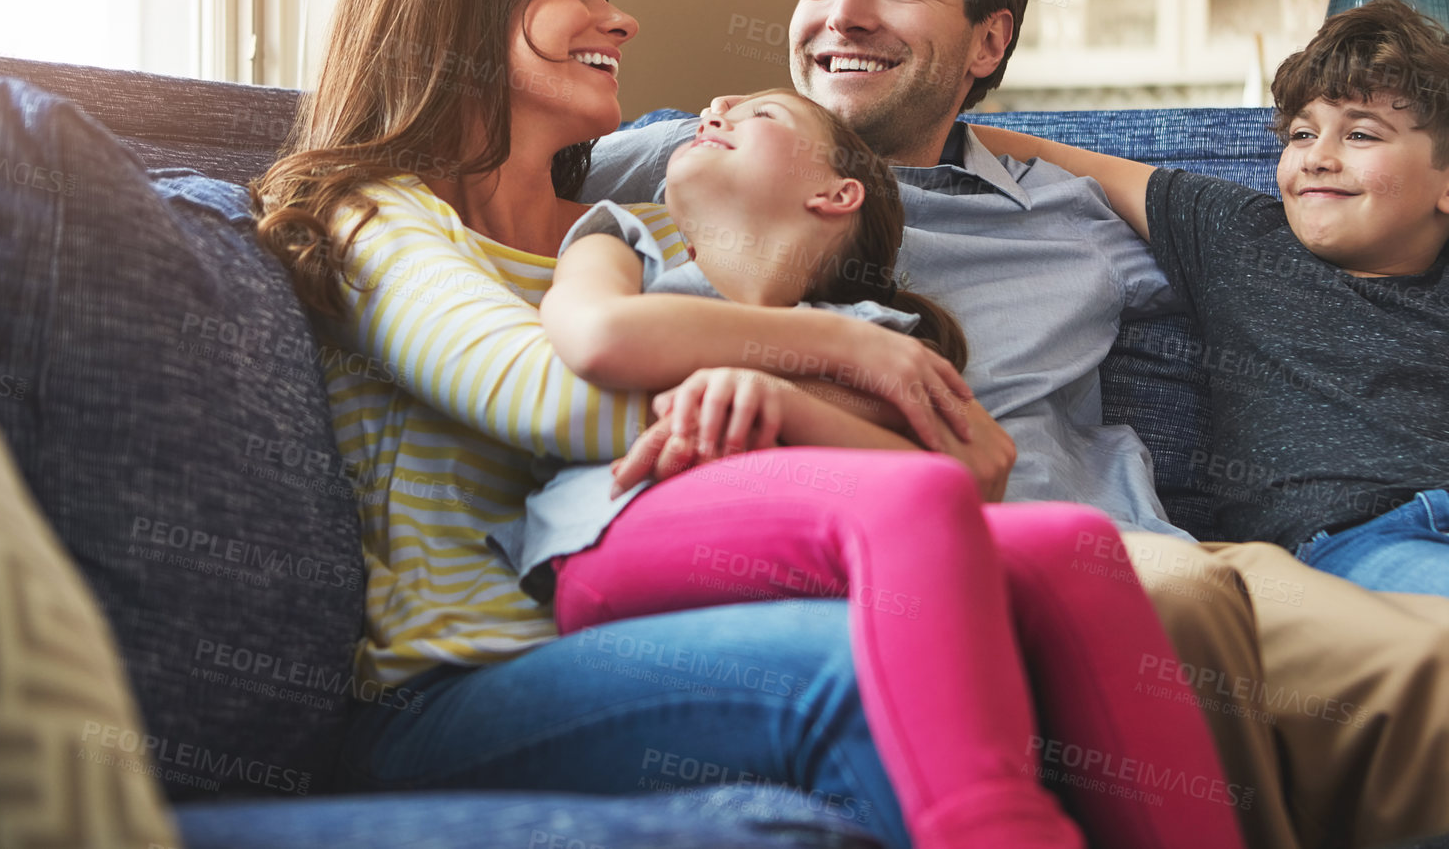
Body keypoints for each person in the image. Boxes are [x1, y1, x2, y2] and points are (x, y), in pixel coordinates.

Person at [579, 0, 1449, 849]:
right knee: (1172, 608)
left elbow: (1326, 212)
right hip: (920, 555)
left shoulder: (1070, 211)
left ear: (987, 44)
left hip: (1139, 543)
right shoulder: (696, 157)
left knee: (1428, 657)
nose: (842, 14)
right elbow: (483, 156)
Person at [251, 0, 995, 849]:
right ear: (460, 5)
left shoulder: (640, 232)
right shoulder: (370, 214)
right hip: (451, 692)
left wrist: (849, 406)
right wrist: (839, 357)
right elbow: (549, 393)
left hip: (648, 626)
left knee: (967, 644)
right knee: (857, 673)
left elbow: (890, 432)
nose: (623, 19)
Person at [970, 0, 1449, 814]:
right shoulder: (1236, 237)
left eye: (1360, 134)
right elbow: (1017, 150)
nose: (1317, 157)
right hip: (1344, 547)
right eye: (1301, 134)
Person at [527, 86, 1245, 848]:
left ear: (836, 194)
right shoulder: (627, 241)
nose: (715, 107)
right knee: (920, 496)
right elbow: (601, 334)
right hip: (616, 527)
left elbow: (976, 478)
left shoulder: (886, 335)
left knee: (1079, 548)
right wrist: (819, 384)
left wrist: (780, 398)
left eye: (762, 115)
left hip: (824, 543)